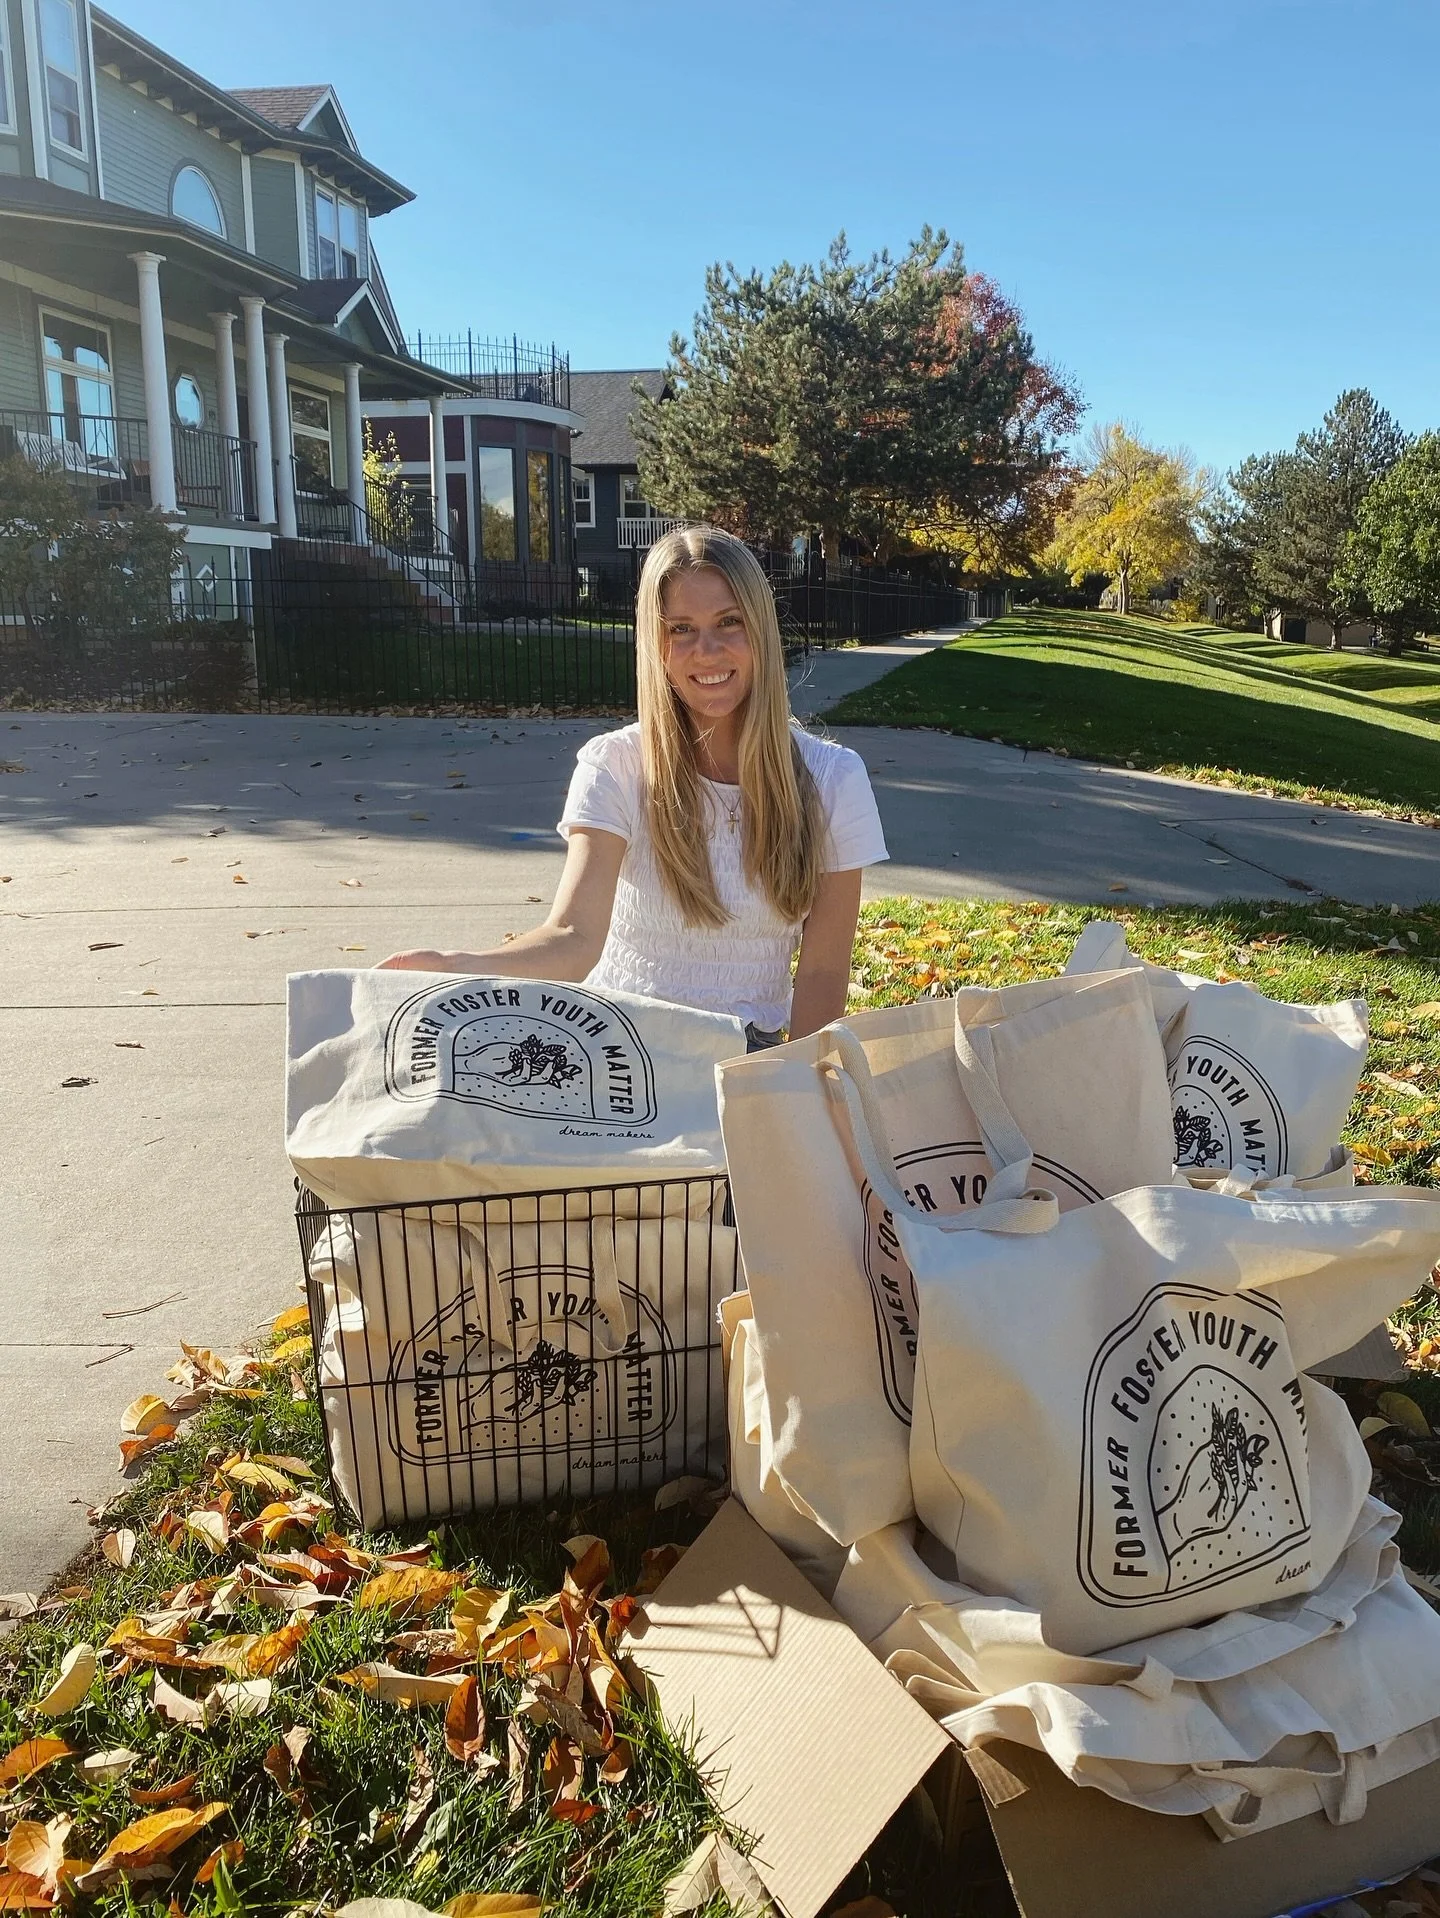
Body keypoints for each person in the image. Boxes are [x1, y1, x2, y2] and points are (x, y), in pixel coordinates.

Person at [379, 526, 888, 1046]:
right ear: (656, 647)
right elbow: (573, 937)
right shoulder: (616, 765)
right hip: (615, 1043)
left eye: (729, 622)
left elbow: (823, 974)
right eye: (681, 629)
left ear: (761, 629)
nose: (707, 651)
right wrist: (459, 966)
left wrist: (800, 1089)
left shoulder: (833, 779)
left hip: (746, 1055)